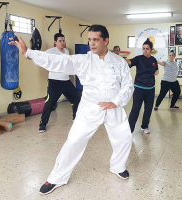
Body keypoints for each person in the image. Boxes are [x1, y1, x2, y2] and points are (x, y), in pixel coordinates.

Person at [9, 24, 134, 194]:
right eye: (90, 40)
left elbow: (128, 85)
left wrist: (117, 102)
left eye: (96, 39)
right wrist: (28, 52)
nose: (92, 43)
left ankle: (118, 166)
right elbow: (57, 61)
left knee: (125, 138)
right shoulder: (83, 60)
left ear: (106, 40)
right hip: (89, 109)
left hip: (114, 108)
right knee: (74, 141)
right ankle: (56, 178)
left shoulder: (119, 62)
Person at [39, 33, 81, 133]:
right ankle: (42, 124)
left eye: (63, 41)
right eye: (60, 41)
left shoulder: (66, 51)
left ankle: (75, 117)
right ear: (55, 42)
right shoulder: (50, 51)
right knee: (50, 102)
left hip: (66, 81)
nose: (62, 43)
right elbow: (42, 59)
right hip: (54, 82)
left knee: (76, 99)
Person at [125, 38, 159, 134]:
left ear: (151, 50)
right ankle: (129, 130)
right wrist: (119, 58)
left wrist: (156, 71)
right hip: (139, 88)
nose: (145, 50)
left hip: (150, 89)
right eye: (143, 48)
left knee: (148, 109)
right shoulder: (139, 58)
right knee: (135, 109)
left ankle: (144, 126)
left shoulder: (154, 60)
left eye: (147, 48)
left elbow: (156, 69)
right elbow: (130, 61)